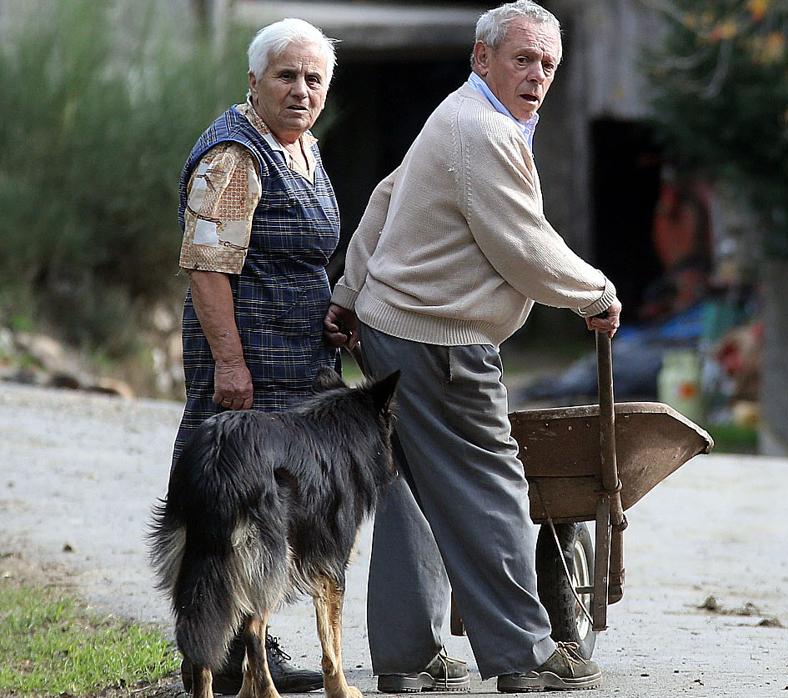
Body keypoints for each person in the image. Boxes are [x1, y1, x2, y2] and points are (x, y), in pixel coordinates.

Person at [323, 1, 620, 693]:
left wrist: (348, 292)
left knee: (412, 494)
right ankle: (524, 654)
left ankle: (405, 657)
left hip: (393, 329)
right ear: (480, 59)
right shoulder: (480, 129)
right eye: (522, 59)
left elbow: (385, 196)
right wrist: (595, 294)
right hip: (437, 341)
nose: (537, 75)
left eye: (548, 63)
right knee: (491, 486)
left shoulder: (458, 115)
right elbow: (522, 248)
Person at [169, 17, 341, 694]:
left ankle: (256, 648)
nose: (301, 90)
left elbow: (297, 252)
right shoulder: (235, 155)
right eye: (286, 75)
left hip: (297, 361)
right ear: (255, 81)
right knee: (230, 510)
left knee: (273, 512)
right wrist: (230, 365)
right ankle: (212, 656)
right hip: (251, 366)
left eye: (313, 78)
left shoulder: (301, 146)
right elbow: (207, 266)